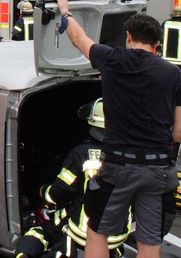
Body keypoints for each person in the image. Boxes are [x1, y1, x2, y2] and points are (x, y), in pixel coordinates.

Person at [54, 0, 181, 258]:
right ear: (157, 43)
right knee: (150, 242)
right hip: (159, 170)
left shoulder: (112, 59)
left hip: (118, 167)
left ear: (129, 36)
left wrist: (65, 11)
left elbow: (78, 39)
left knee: (97, 232)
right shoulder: (173, 74)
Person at [14, 99, 130, 258]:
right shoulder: (130, 156)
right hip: (117, 236)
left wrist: (43, 191)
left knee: (39, 232)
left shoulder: (81, 154)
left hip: (82, 232)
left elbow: (60, 193)